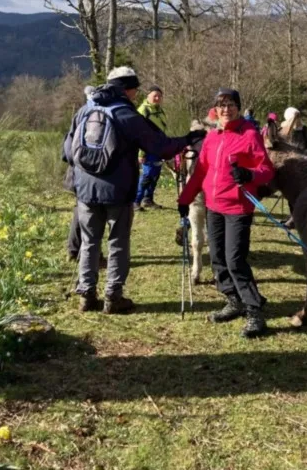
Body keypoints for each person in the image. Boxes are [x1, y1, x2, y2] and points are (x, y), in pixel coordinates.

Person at [63, 66, 205, 314]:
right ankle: (113, 298)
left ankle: (86, 295)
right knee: (118, 241)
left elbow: (67, 151)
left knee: (89, 241)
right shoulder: (126, 115)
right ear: (128, 90)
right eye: (135, 90)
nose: (136, 95)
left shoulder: (85, 110)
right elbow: (161, 147)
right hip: (117, 191)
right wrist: (189, 138)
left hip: (84, 189)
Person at [178, 87, 275, 337]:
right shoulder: (211, 137)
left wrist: (250, 174)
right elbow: (200, 172)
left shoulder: (250, 134)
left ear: (238, 107)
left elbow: (267, 170)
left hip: (238, 207)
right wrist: (185, 198)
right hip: (213, 205)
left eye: (231, 104)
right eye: (221, 105)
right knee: (218, 258)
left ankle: (255, 312)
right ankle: (233, 300)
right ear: (216, 109)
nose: (225, 109)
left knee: (235, 260)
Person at [66, 85, 106, 268]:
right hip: (85, 174)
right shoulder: (93, 113)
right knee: (90, 216)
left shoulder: (81, 113)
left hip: (77, 171)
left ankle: (73, 250)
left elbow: (67, 148)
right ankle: (89, 255)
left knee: (81, 212)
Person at [279, 107, 307, 229]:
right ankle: (293, 217)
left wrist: (305, 157)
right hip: (289, 166)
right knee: (290, 193)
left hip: (304, 167)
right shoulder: (282, 129)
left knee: (300, 193)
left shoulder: (303, 129)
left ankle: (297, 218)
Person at [134, 85, 169, 211]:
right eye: (155, 95)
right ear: (148, 96)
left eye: (159, 96)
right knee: (147, 175)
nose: (157, 98)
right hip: (147, 149)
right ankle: (136, 201)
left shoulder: (159, 110)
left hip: (158, 149)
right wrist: (141, 153)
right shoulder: (143, 110)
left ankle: (148, 200)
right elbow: (139, 134)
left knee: (155, 175)